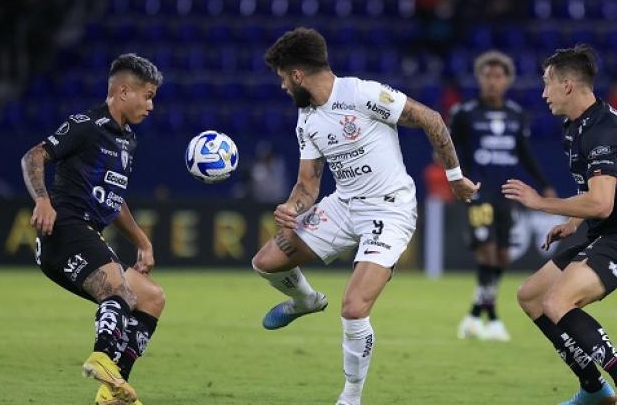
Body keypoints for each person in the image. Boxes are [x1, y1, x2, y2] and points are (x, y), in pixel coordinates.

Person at [252, 27, 479, 405]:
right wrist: (292, 208)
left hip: (389, 209)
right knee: (265, 262)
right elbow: (308, 186)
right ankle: (306, 301)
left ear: (297, 75)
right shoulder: (307, 119)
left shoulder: (362, 94)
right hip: (344, 205)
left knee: (354, 307)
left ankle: (351, 397)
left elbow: (432, 118)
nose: (282, 89)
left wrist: (455, 177)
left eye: (282, 79)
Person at [21, 54, 165, 405]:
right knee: (119, 289)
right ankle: (101, 357)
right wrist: (42, 200)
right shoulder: (86, 124)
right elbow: (34, 156)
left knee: (151, 297)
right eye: (146, 96)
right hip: (65, 229)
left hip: (87, 235)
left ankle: (111, 392)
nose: (150, 105)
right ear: (123, 90)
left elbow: (114, 200)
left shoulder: (127, 140)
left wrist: (142, 240)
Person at [503, 45, 617, 404]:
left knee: (559, 301)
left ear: (567, 85)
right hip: (603, 230)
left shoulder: (602, 130)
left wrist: (540, 203)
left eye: (547, 83)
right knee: (533, 296)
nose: (543, 93)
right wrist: (572, 220)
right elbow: (593, 193)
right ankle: (594, 391)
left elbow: (602, 202)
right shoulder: (576, 127)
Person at [450, 50, 555, 341]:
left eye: (498, 76)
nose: (492, 82)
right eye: (487, 75)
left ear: (507, 80)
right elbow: (447, 149)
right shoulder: (465, 112)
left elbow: (525, 153)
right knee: (487, 250)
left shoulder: (515, 114)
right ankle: (493, 318)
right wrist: (457, 179)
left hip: (507, 193)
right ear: (479, 78)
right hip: (478, 194)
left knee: (504, 255)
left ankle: (474, 315)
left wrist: (544, 184)